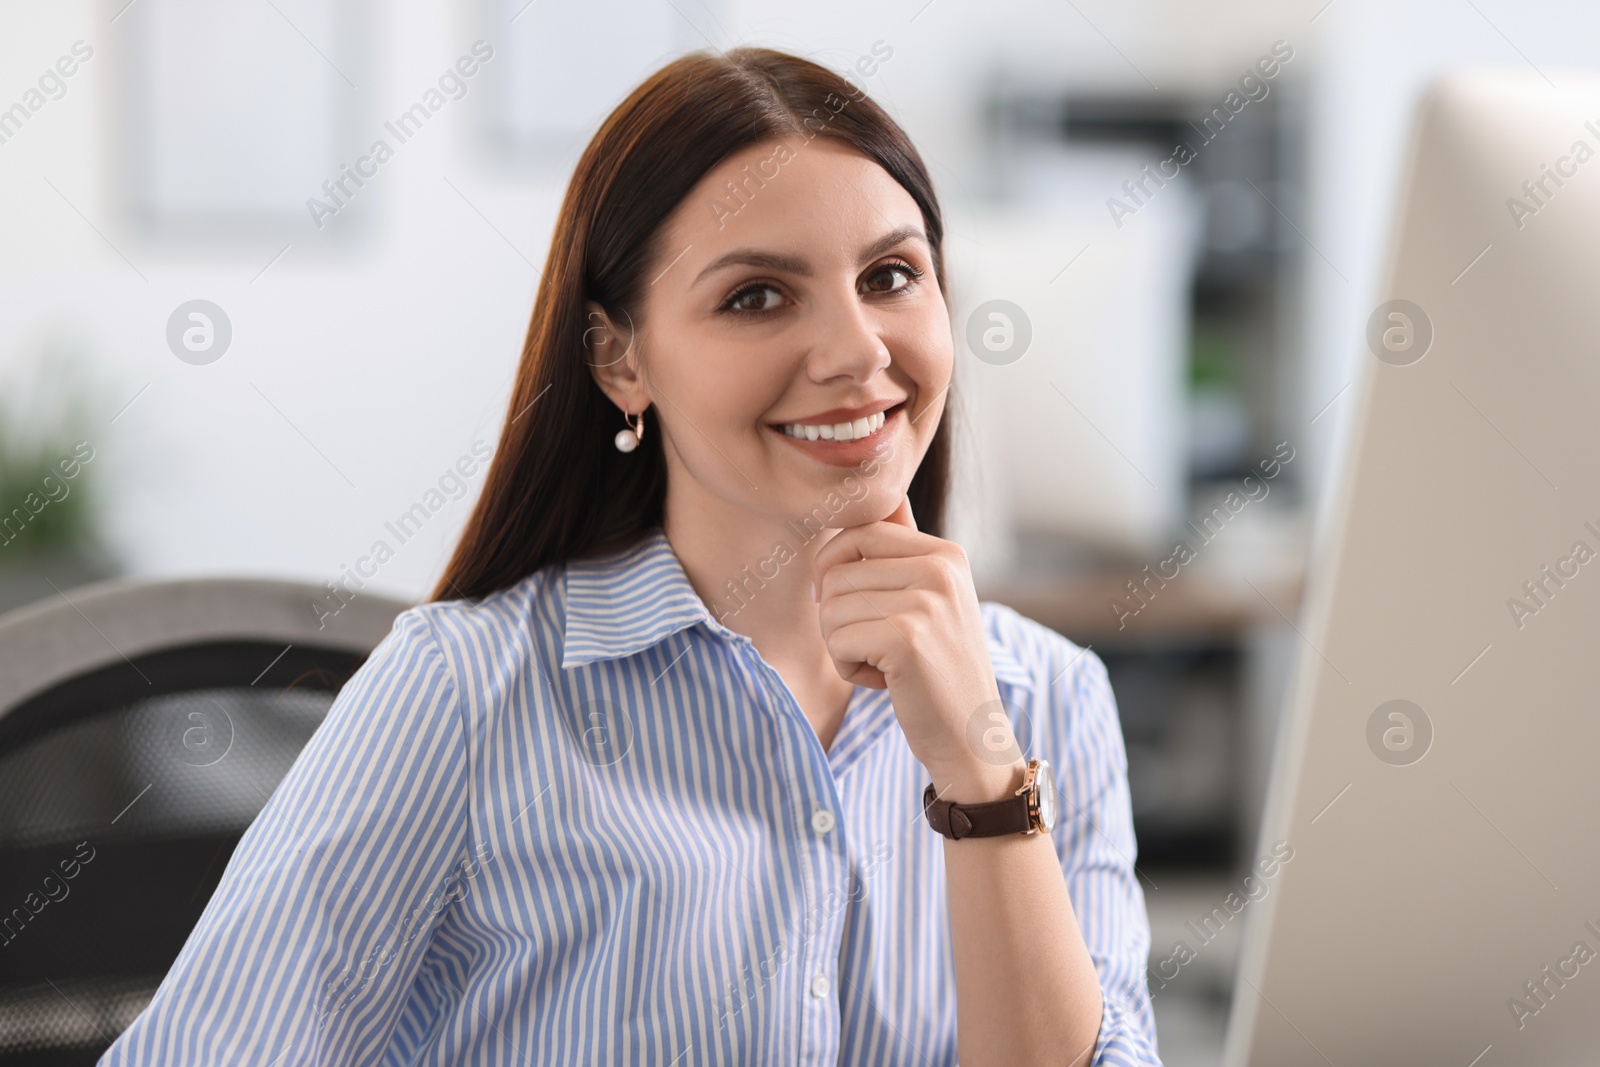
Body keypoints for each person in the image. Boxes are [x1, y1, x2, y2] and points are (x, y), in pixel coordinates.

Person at [101, 46, 1162, 1066]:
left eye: (890, 275)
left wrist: (981, 778)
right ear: (620, 360)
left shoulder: (1050, 699)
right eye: (756, 295)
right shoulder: (466, 693)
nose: (855, 352)